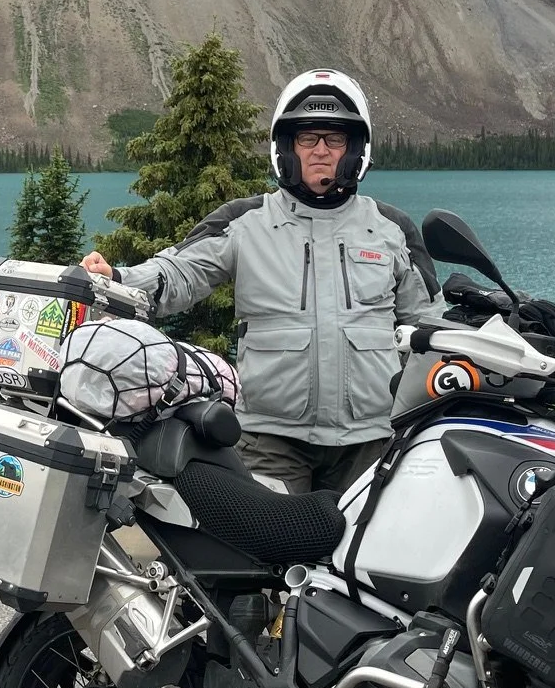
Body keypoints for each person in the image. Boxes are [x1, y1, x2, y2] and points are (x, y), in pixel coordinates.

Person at [82, 69, 439, 496]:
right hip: (270, 439)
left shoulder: (391, 228)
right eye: (307, 138)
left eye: (335, 138)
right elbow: (180, 270)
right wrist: (118, 279)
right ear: (286, 147)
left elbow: (429, 326)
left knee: (369, 541)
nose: (321, 150)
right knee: (270, 537)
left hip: (372, 438)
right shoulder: (245, 220)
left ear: (356, 149)